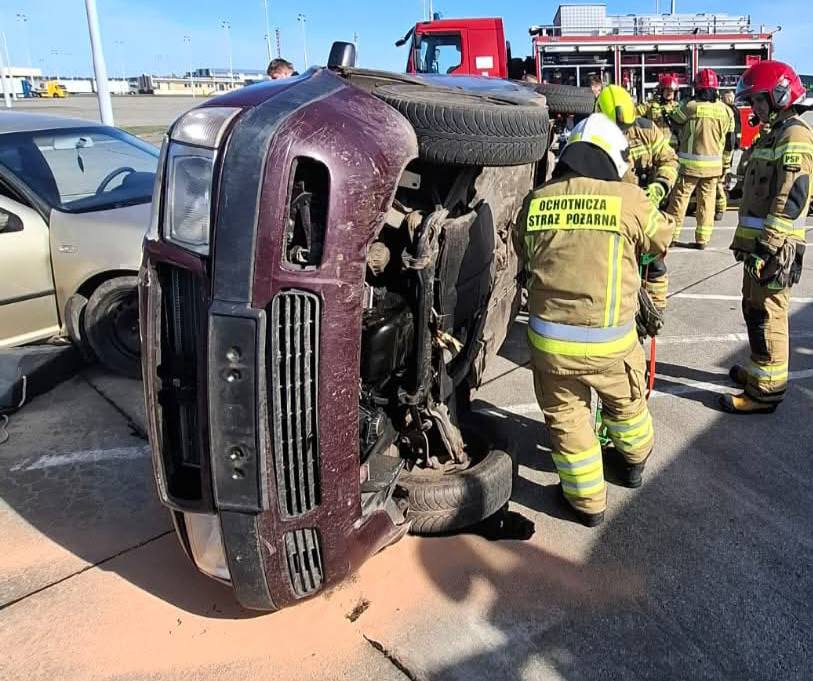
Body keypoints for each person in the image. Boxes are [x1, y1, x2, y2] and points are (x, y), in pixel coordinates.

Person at [517, 114, 674, 527]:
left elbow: (522, 253)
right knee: (626, 407)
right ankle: (633, 466)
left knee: (567, 420)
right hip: (611, 345)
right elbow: (663, 237)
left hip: (550, 348)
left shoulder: (535, 201)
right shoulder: (629, 200)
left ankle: (587, 504)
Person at [720, 60, 813, 414]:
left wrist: (768, 245)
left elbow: (791, 196)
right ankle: (759, 373)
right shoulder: (773, 134)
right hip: (759, 248)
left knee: (768, 316)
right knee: (753, 310)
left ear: (779, 94)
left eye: (759, 100)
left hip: (775, 248)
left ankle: (766, 393)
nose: (754, 108)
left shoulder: (795, 136)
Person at [596, 84, 678, 311]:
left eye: (625, 127)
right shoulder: (593, 137)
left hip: (647, 213)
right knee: (615, 272)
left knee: (655, 269)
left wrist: (660, 186)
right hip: (614, 218)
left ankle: (654, 314)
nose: (623, 133)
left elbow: (669, 161)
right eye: (617, 128)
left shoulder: (647, 130)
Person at [665, 69, 736, 249]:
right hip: (713, 167)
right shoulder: (726, 111)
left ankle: (671, 236)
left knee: (680, 200)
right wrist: (726, 165)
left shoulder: (691, 107)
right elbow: (730, 142)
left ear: (698, 88)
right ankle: (703, 239)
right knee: (707, 202)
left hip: (689, 167)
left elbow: (673, 120)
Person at [715, 90, 742, 220]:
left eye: (732, 96)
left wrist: (737, 141)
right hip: (720, 147)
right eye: (729, 96)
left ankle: (724, 193)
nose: (731, 98)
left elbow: (737, 128)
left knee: (724, 172)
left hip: (727, 146)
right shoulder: (723, 109)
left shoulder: (732, 110)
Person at [637, 74, 680, 144]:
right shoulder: (650, 105)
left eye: (672, 90)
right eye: (667, 90)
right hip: (655, 146)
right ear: (661, 91)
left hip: (673, 148)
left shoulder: (678, 107)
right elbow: (635, 113)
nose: (669, 92)